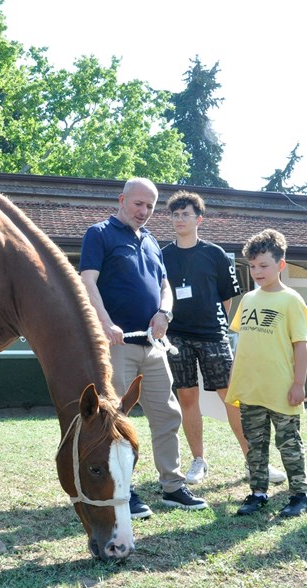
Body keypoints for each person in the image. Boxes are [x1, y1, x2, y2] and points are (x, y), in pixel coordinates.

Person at [79, 177, 207, 519]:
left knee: (168, 415)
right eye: (138, 203)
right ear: (122, 199)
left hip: (152, 345)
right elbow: (87, 281)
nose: (144, 211)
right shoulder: (99, 234)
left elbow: (166, 286)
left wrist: (165, 312)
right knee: (115, 422)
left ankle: (173, 487)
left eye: (150, 206)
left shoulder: (151, 241)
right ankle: (123, 489)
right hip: (116, 346)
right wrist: (105, 323)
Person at [161, 191, 287, 485]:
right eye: (175, 215)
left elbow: (227, 299)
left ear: (199, 219)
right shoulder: (162, 254)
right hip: (176, 337)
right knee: (187, 398)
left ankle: (253, 462)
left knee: (232, 398)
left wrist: (211, 322)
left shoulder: (214, 254)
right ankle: (198, 461)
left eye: (186, 215)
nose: (180, 220)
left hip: (212, 336)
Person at [225, 229, 307, 517]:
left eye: (263, 265)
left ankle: (300, 494)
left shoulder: (291, 301)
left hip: (282, 389)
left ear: (280, 265)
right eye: (252, 266)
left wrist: (299, 383)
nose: (257, 271)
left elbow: (301, 347)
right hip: (251, 388)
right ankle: (258, 492)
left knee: (288, 443)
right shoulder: (248, 300)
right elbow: (243, 345)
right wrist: (234, 377)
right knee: (255, 445)